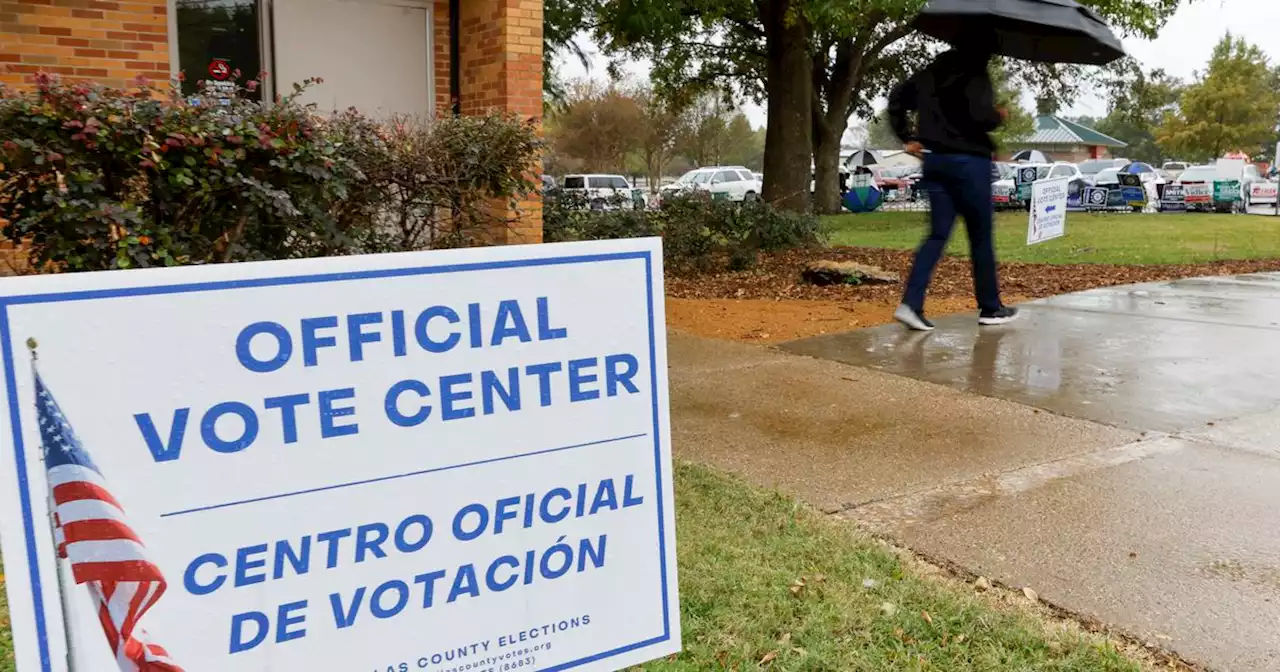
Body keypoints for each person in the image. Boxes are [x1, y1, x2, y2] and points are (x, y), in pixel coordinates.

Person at [886, 31, 1018, 331]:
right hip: (970, 162)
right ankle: (990, 307)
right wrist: (998, 115)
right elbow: (979, 116)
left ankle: (911, 304)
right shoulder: (976, 72)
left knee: (937, 234)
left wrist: (908, 136)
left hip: (935, 161)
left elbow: (896, 99)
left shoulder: (929, 73)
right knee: (980, 236)